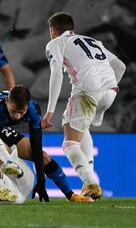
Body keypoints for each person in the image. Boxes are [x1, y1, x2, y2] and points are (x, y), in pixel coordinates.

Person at [41, 12, 126, 200]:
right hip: (111, 91)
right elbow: (120, 66)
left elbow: (56, 73)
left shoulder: (55, 43)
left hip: (87, 91)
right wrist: (107, 90)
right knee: (83, 129)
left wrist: (50, 111)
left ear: (53, 30)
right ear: (72, 28)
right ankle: (89, 186)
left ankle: (90, 182)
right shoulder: (93, 41)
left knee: (69, 143)